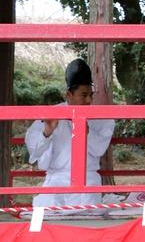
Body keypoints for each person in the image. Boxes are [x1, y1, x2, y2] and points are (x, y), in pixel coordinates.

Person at [25, 58, 115, 209]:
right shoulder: (51, 114)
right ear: (69, 95)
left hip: (88, 180)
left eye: (91, 95)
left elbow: (99, 149)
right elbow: (33, 152)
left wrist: (87, 132)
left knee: (86, 225)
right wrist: (47, 132)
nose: (88, 100)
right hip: (56, 180)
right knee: (48, 220)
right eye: (83, 95)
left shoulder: (101, 118)